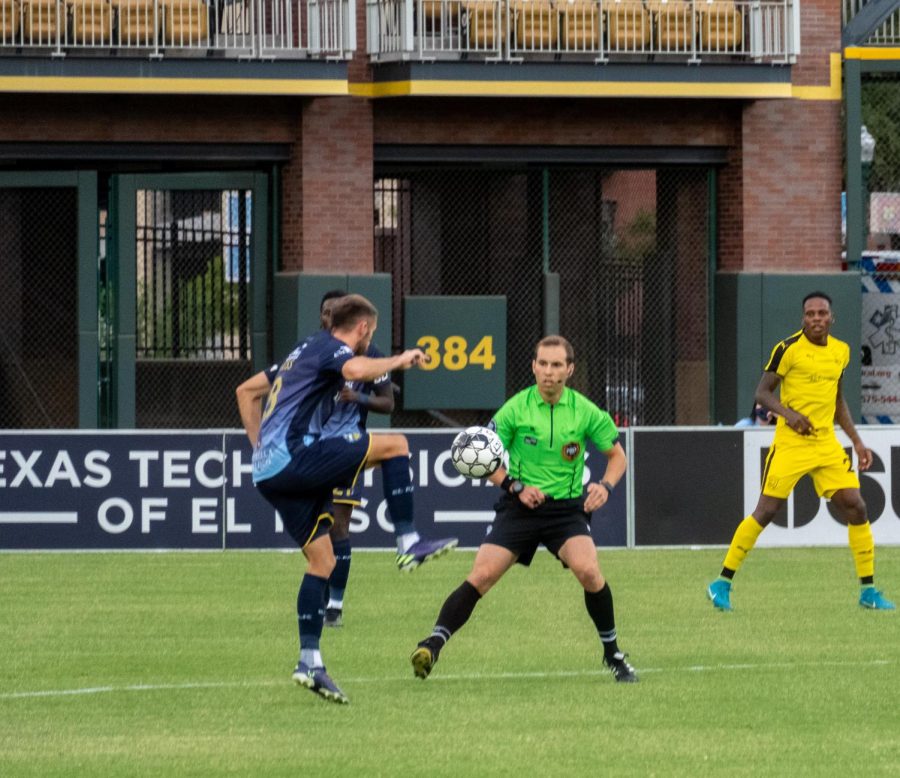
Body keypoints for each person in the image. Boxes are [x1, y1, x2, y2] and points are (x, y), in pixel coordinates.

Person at [236, 293, 458, 704]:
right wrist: (400, 359)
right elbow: (355, 366)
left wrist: (260, 448)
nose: (366, 340)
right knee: (396, 444)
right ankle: (407, 541)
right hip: (297, 456)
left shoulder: (302, 350)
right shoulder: (335, 348)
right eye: (368, 334)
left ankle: (309, 661)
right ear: (362, 328)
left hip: (269, 472)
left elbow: (246, 391)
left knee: (323, 561)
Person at [410, 335, 638, 684]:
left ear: (570, 369)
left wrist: (605, 487)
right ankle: (432, 644)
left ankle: (613, 655)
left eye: (557, 365)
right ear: (533, 367)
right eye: (543, 364)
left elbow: (617, 457)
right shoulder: (515, 408)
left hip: (565, 511)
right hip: (519, 508)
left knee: (590, 572)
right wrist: (514, 486)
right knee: (482, 575)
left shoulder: (586, 411)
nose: (549, 372)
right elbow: (483, 457)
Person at [708, 291, 895, 612]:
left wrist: (857, 441)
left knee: (857, 507)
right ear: (803, 318)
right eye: (810, 314)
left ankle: (868, 591)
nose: (816, 319)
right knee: (766, 511)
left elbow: (838, 401)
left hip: (825, 444)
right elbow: (762, 394)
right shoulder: (788, 349)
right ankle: (721, 582)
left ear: (831, 318)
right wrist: (790, 415)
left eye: (822, 313)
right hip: (791, 444)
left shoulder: (841, 352)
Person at [316, 290, 397, 629]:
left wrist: (358, 396)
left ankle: (334, 604)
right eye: (325, 311)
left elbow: (388, 403)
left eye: (333, 310)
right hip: (310, 449)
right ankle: (319, 594)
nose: (328, 316)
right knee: (313, 529)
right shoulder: (313, 352)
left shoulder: (370, 355)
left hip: (347, 448)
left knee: (338, 526)